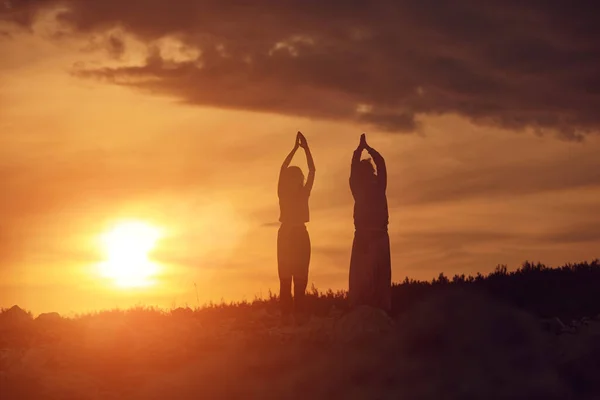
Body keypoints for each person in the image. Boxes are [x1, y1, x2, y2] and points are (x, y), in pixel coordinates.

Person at [348, 133, 391, 313]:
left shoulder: (377, 185)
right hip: (366, 236)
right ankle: (361, 310)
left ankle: (381, 311)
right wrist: (362, 149)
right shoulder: (360, 187)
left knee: (379, 277)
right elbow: (376, 164)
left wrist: (364, 148)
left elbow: (380, 164)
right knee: (361, 276)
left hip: (378, 235)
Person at [277, 131, 316, 324]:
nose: (294, 181)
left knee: (301, 278)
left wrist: (306, 149)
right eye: (291, 178)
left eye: (296, 178)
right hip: (285, 235)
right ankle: (285, 317)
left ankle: (299, 316)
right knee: (285, 278)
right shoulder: (282, 194)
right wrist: (294, 150)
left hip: (300, 235)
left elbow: (312, 171)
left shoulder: (304, 194)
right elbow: (283, 168)